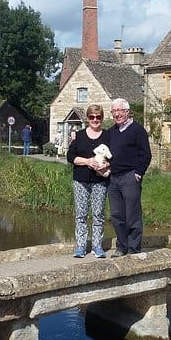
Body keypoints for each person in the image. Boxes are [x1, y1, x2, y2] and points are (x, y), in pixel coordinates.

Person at [106, 98, 152, 257]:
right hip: (113, 179)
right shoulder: (111, 132)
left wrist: (138, 174)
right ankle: (121, 247)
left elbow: (146, 155)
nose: (117, 114)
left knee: (132, 214)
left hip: (129, 177)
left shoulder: (137, 130)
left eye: (119, 110)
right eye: (114, 111)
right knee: (116, 215)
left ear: (127, 111)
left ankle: (133, 249)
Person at [66, 105, 111, 259]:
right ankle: (81, 246)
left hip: (100, 181)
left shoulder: (107, 135)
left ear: (102, 118)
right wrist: (87, 161)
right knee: (81, 214)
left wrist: (106, 164)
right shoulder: (79, 136)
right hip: (81, 180)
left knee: (98, 214)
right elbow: (70, 156)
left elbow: (114, 157)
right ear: (87, 118)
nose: (95, 120)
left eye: (98, 117)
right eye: (92, 117)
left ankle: (97, 246)